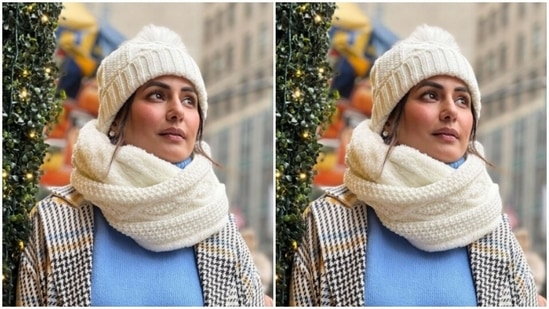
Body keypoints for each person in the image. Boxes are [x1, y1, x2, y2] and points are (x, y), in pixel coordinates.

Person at [290, 25, 539, 306]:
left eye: (462, 100)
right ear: (391, 117)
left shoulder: (492, 226)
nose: (450, 112)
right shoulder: (328, 220)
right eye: (431, 95)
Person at [16, 24, 265, 306]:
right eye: (157, 95)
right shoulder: (54, 220)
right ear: (117, 117)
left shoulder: (219, 226)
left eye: (189, 100)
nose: (177, 111)